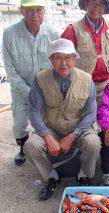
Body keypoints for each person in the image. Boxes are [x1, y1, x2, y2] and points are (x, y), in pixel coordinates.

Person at [25, 39, 101, 200]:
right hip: (51, 126)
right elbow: (33, 111)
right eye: (58, 57)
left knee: (93, 143)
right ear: (51, 59)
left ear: (75, 59)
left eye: (68, 57)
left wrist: (73, 135)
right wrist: (47, 136)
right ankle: (51, 177)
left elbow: (91, 113)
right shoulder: (40, 79)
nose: (64, 62)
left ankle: (84, 175)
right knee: (31, 145)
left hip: (79, 126)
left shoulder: (87, 79)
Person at [2, 0, 59, 166]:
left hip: (46, 90)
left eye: (38, 10)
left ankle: (46, 146)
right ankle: (21, 147)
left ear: (44, 11)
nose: (35, 15)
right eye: (29, 10)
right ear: (21, 10)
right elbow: (10, 69)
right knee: (20, 122)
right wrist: (29, 92)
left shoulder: (53, 33)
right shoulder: (9, 34)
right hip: (21, 91)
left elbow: (58, 63)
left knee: (49, 121)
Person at [61, 0, 109, 105]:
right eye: (92, 3)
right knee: (83, 118)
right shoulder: (72, 29)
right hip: (82, 84)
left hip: (107, 84)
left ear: (104, 7)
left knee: (104, 117)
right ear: (86, 5)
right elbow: (62, 60)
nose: (96, 8)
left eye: (100, 4)